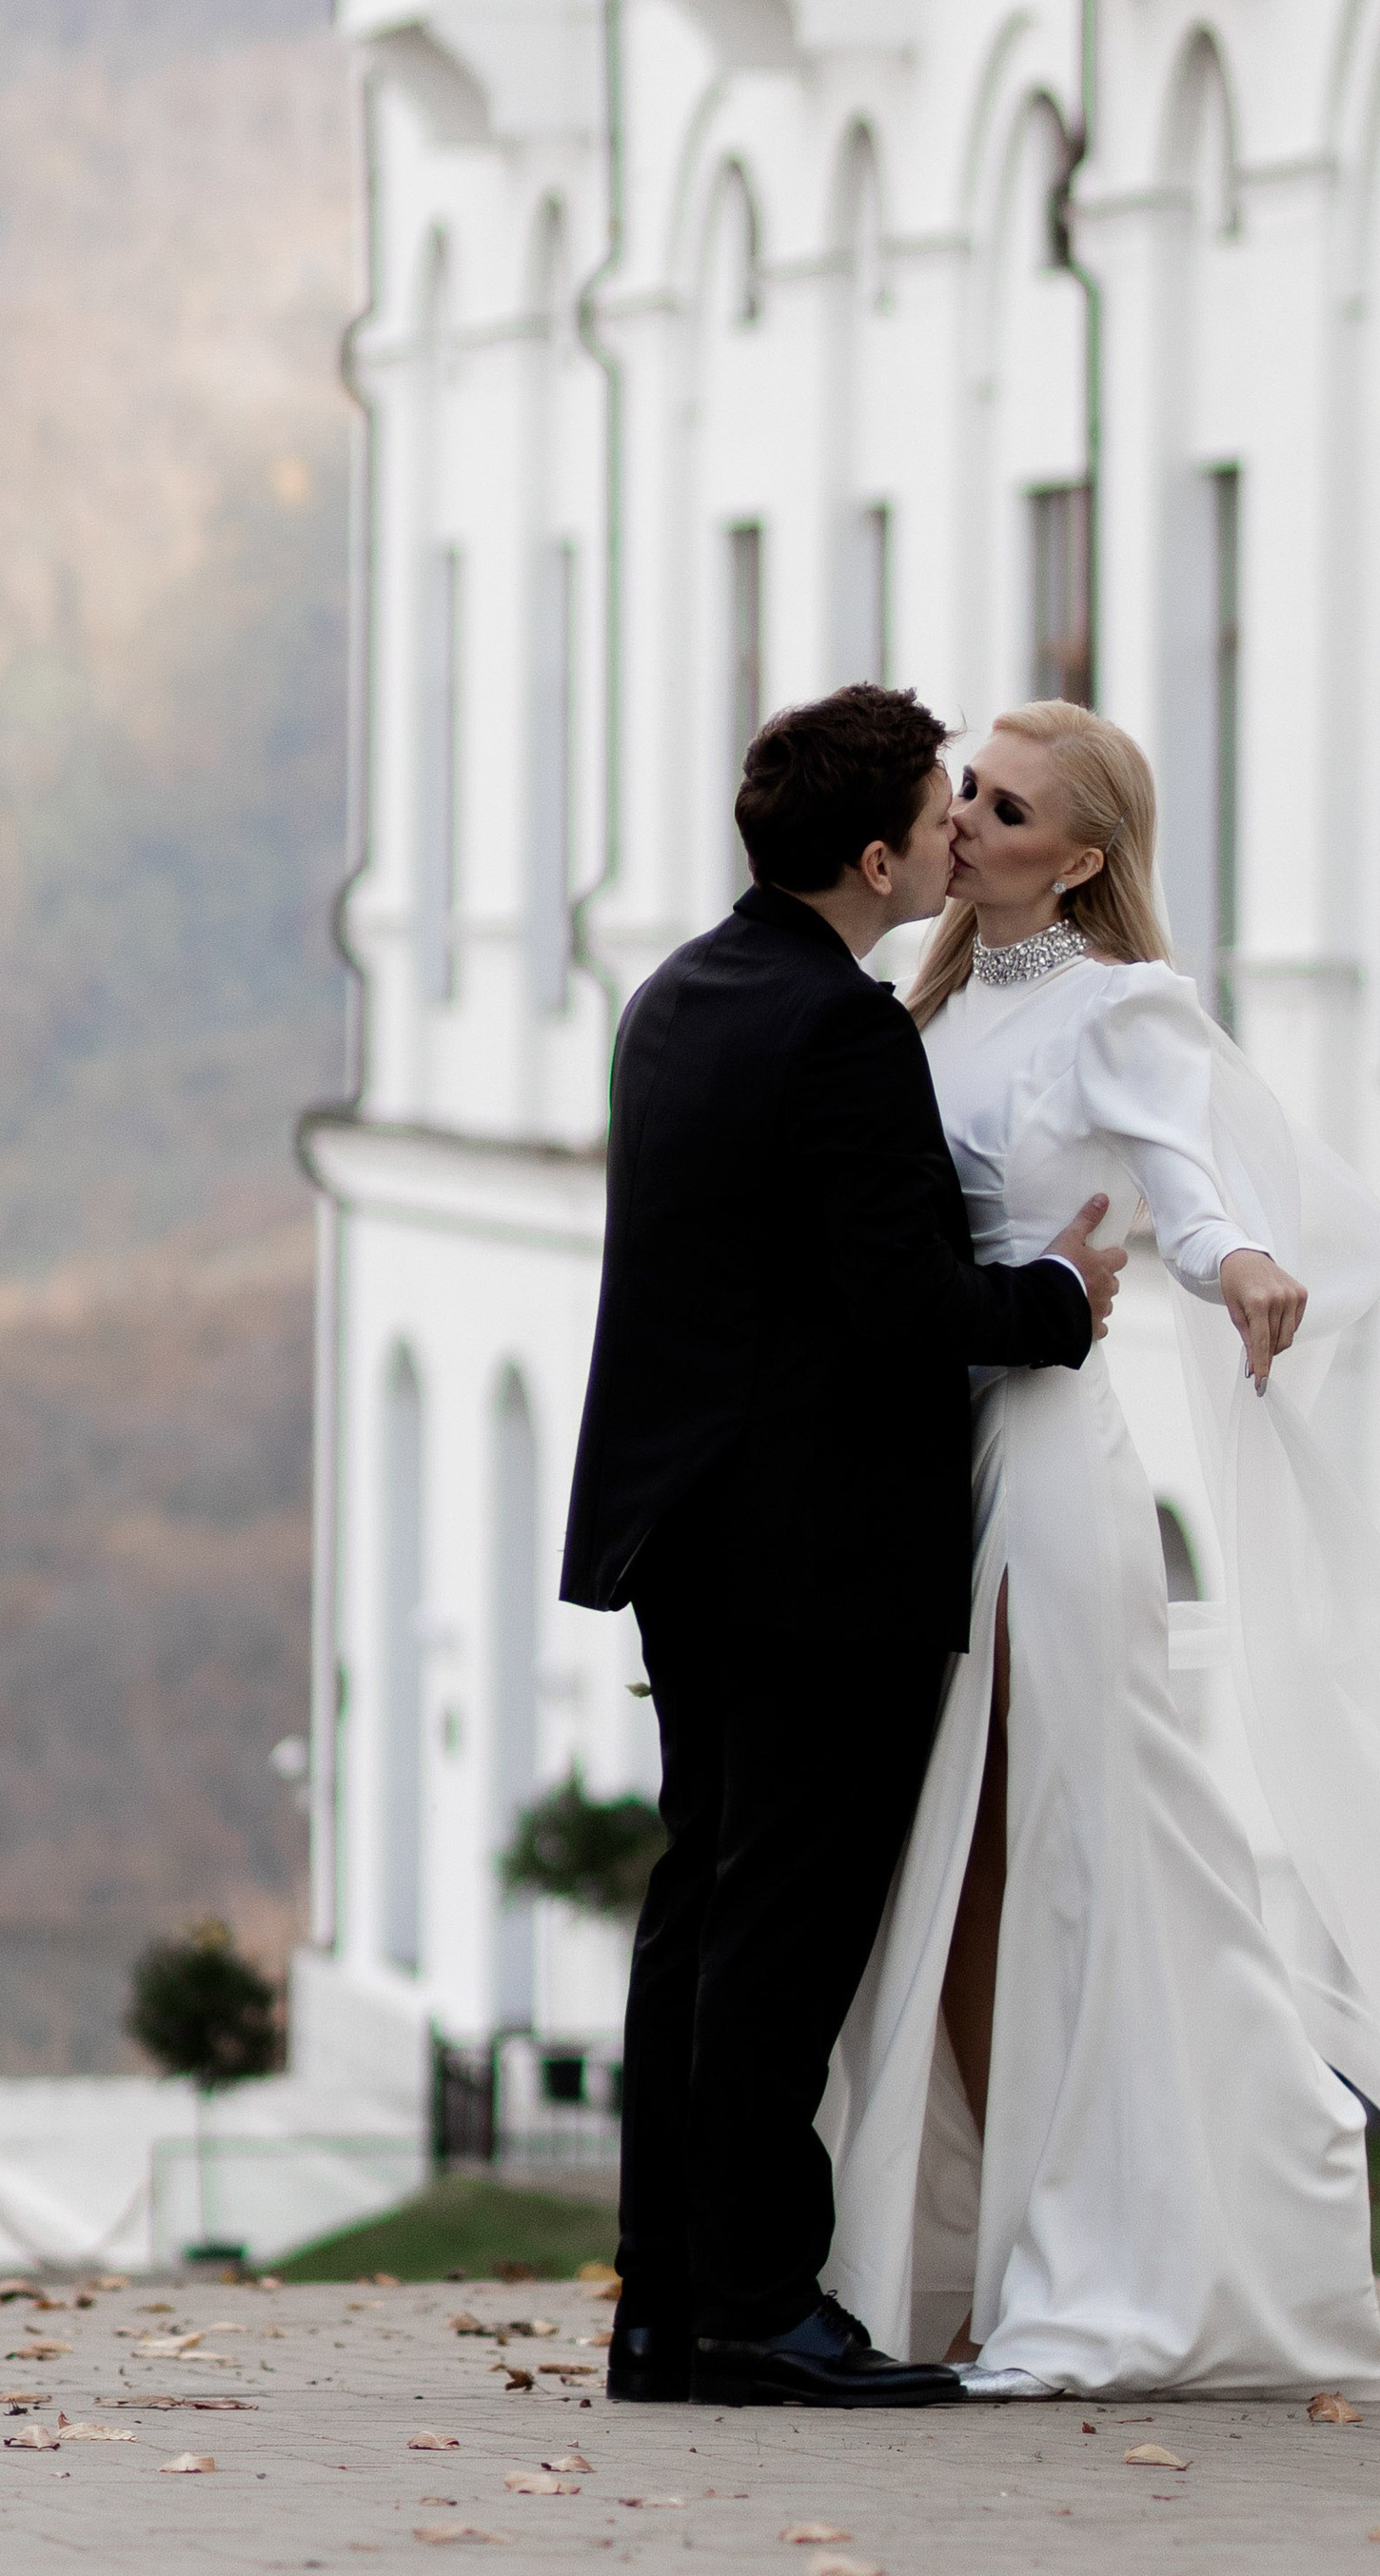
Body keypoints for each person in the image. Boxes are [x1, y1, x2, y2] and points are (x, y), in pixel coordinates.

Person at [819, 701, 1380, 2400]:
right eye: (964, 787)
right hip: (932, 1446)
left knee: (1072, 1856)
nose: (964, 819)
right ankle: (971, 2252)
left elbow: (1185, 1172)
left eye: (1008, 805)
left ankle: (1122, 2245)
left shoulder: (1123, 1006)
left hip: (1040, 1465)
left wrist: (1236, 1257)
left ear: (1087, 857)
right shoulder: (933, 996)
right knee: (956, 1873)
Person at [559, 683, 1124, 2411]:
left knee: (699, 1920)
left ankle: (664, 2309)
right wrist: (1062, 1298)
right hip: (813, 1558)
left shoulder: (677, 995)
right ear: (877, 857)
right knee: (781, 1945)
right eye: (949, 809)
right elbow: (902, 1308)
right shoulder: (844, 1031)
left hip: (684, 1533)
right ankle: (758, 2306)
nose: (967, 829)